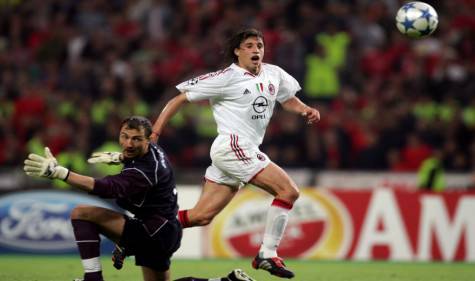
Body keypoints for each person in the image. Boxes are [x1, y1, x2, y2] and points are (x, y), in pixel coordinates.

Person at [151, 28, 320, 279]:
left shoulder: (274, 74)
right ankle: (267, 254)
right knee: (288, 191)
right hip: (233, 146)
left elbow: (288, 99)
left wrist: (306, 109)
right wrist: (154, 134)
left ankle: (142, 228)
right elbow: (179, 99)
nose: (256, 50)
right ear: (237, 51)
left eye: (259, 45)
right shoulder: (226, 77)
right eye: (250, 45)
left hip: (243, 150)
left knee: (200, 216)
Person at [23, 116, 256, 281]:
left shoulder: (144, 172)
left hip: (153, 231)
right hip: (165, 229)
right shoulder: (154, 150)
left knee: (82, 213)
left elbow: (105, 188)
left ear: (147, 140)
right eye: (124, 137)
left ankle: (92, 278)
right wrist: (120, 157)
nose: (128, 143)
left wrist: (59, 173)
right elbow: (135, 158)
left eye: (136, 140)